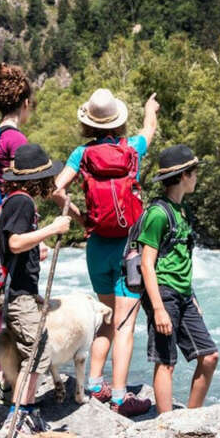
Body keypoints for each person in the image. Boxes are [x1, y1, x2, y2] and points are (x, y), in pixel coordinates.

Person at [53, 87, 159, 416]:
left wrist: (78, 216)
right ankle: (120, 396)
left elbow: (56, 188)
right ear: (118, 120)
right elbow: (149, 130)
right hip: (130, 246)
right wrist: (150, 107)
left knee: (105, 318)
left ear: (89, 123)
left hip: (97, 243)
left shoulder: (81, 155)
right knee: (126, 323)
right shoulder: (133, 149)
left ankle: (95, 384)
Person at [0, 142, 72, 435]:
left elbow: (16, 245)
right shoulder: (22, 202)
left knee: (33, 351)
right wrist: (52, 229)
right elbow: (14, 242)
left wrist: (36, 247)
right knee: (38, 353)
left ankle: (24, 410)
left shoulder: (17, 200)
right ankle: (19, 415)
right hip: (18, 296)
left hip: (22, 293)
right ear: (38, 178)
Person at [138, 145, 218, 414]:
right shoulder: (158, 214)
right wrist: (158, 308)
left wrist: (192, 296)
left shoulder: (182, 211)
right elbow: (147, 264)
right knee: (166, 362)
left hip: (184, 296)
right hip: (164, 294)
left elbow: (182, 259)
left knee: (209, 357)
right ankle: (166, 426)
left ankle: (191, 419)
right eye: (194, 173)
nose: (197, 178)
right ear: (184, 175)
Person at [0, 63, 34, 358]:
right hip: (12, 221)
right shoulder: (17, 140)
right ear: (25, 103)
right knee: (12, 298)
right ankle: (4, 374)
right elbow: (26, 185)